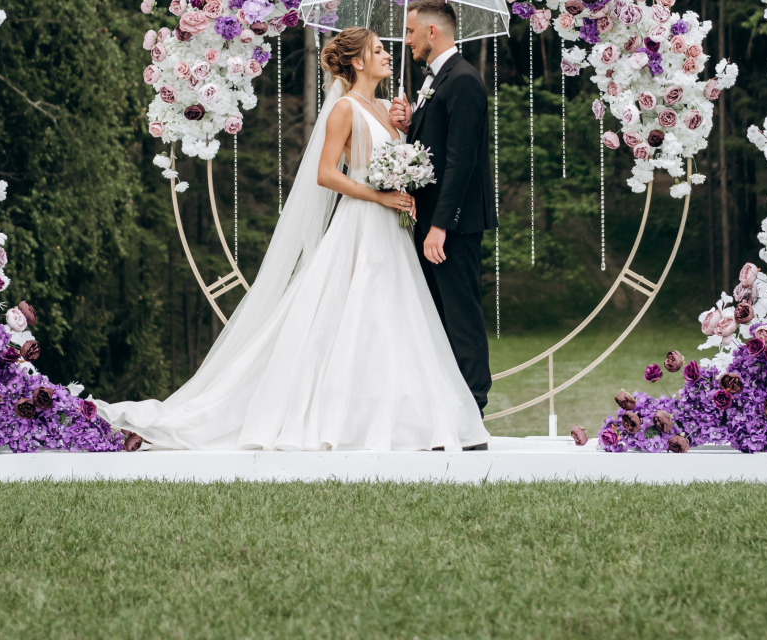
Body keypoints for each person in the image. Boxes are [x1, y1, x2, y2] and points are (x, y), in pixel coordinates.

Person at [101, 27, 489, 451]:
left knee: (393, 315)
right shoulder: (344, 108)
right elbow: (327, 174)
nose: (388, 55)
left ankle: (395, 415)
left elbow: (399, 157)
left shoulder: (385, 107)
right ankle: (335, 415)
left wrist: (405, 128)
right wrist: (379, 195)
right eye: (378, 50)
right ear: (358, 62)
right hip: (362, 221)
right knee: (356, 309)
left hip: (393, 228)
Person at [389, 0, 495, 417]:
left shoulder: (463, 80)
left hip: (454, 224)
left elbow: (462, 160)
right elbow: (436, 146)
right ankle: (447, 408)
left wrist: (440, 226)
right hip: (435, 221)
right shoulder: (438, 79)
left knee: (461, 313)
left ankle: (473, 408)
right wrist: (409, 123)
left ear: (433, 32)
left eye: (411, 32)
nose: (407, 40)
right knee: (437, 314)